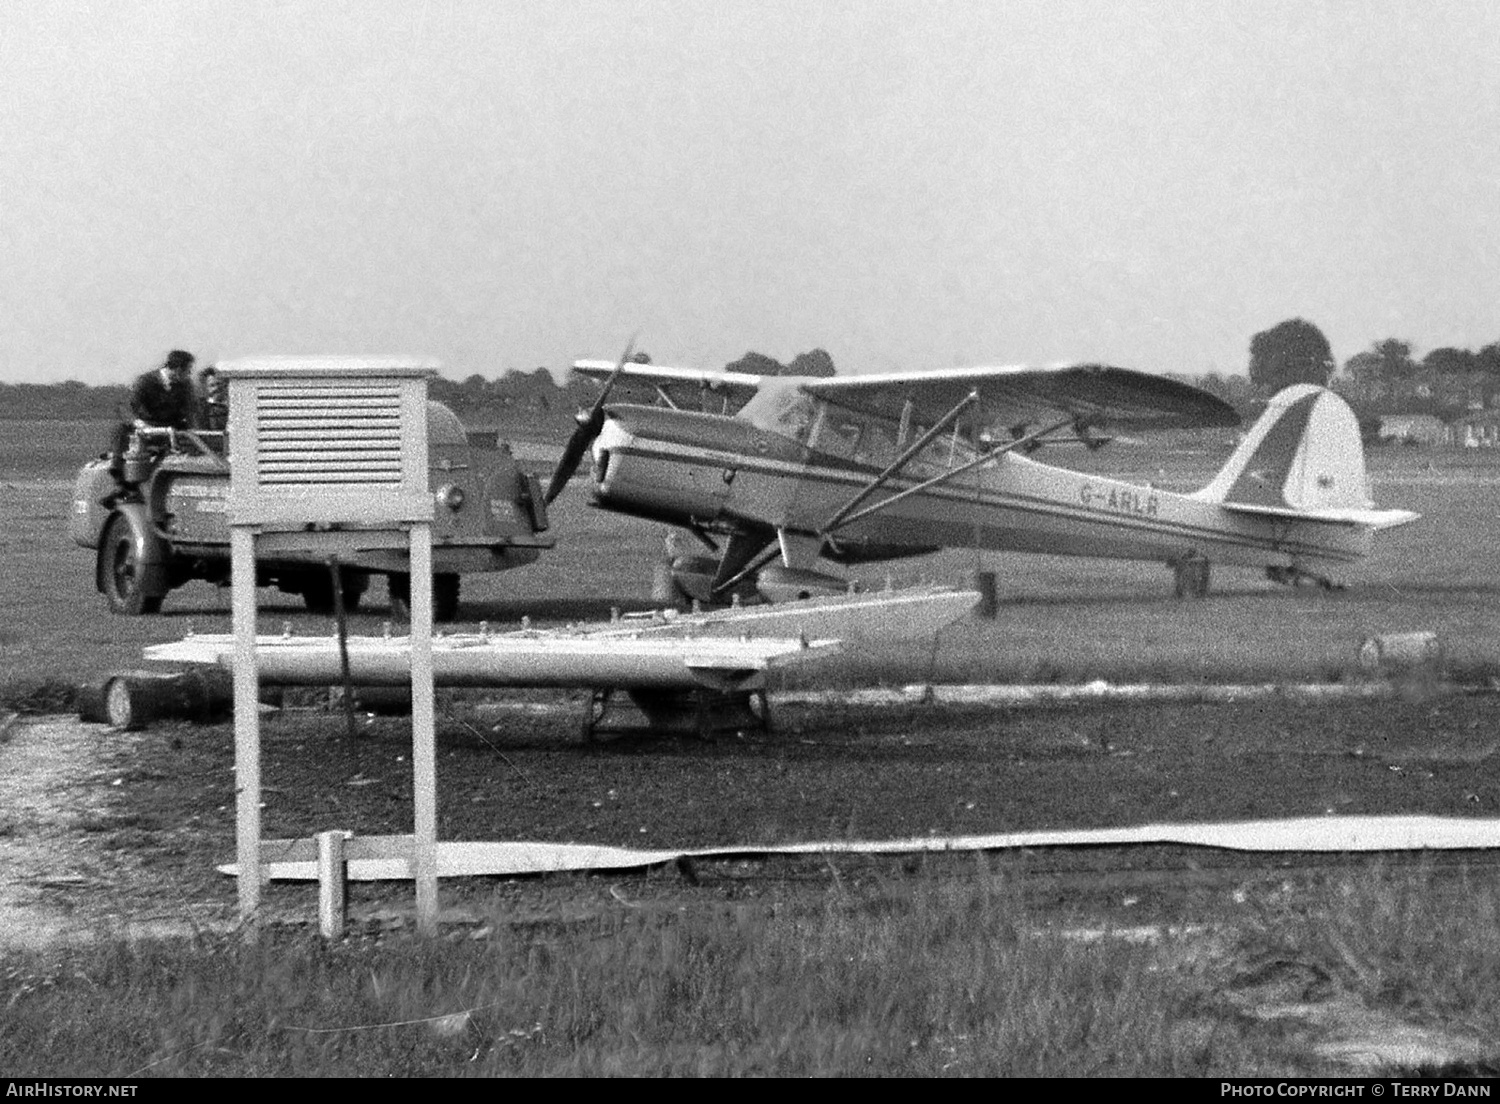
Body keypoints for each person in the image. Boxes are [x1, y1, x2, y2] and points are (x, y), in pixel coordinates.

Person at [109, 350, 197, 482]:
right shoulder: (146, 381)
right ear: (178, 369)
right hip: (148, 427)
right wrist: (138, 422)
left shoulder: (185, 386)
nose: (189, 374)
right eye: (188, 370)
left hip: (172, 429)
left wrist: (195, 433)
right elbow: (127, 406)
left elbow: (191, 411)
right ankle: (118, 470)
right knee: (120, 429)